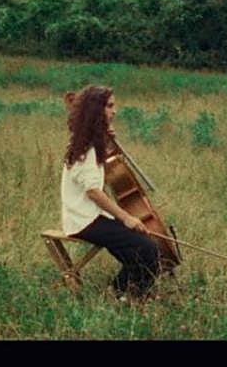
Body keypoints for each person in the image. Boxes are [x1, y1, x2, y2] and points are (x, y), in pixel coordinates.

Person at [62, 84, 160, 301]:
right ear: (96, 110)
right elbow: (94, 193)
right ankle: (122, 296)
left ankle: (121, 293)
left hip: (90, 216)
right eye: (109, 106)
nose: (114, 111)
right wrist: (126, 217)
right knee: (148, 250)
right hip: (85, 219)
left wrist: (106, 142)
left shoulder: (89, 141)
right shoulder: (87, 147)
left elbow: (102, 175)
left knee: (139, 248)